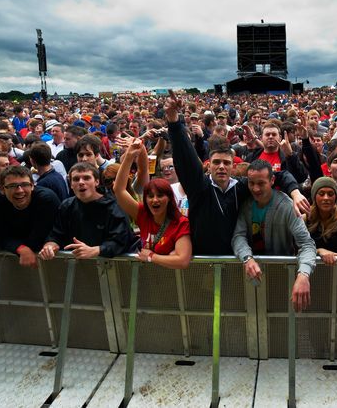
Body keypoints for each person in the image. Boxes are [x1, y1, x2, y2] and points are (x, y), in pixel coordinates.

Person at [165, 91, 308, 255]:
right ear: (209, 165)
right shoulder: (199, 186)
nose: (221, 167)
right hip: (202, 261)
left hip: (236, 260)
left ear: (233, 167)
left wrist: (295, 192)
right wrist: (174, 122)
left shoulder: (241, 186)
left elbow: (278, 175)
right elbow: (186, 158)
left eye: (226, 163)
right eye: (216, 163)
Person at [232, 160, 317, 312]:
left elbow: (306, 244)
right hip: (251, 278)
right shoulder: (246, 205)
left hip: (282, 278)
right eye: (251, 183)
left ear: (272, 181)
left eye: (261, 183)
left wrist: (304, 273)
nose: (255, 188)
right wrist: (247, 258)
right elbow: (238, 236)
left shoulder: (287, 206)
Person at [114, 139, 192, 269]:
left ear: (170, 198)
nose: (155, 200)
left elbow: (182, 261)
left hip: (176, 281)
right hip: (149, 279)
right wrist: (128, 157)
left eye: (160, 195)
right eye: (150, 196)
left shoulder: (181, 223)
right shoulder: (143, 214)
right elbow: (119, 190)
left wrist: (151, 257)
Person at [39, 162, 134, 260]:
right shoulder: (66, 206)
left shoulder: (114, 207)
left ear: (97, 182)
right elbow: (56, 234)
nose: (81, 182)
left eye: (86, 178)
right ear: (71, 184)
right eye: (76, 179)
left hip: (110, 267)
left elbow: (123, 240)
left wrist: (97, 250)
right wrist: (50, 246)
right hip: (75, 267)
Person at [0, 165, 60, 268]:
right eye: (13, 186)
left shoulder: (46, 200)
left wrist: (24, 248)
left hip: (48, 260)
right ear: (2, 188)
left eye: (25, 185)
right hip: (15, 261)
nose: (20, 190)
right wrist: (20, 248)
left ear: (32, 186)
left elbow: (43, 234)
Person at [303, 177, 337, 263]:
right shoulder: (304, 219)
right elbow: (299, 250)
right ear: (314, 197)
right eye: (321, 193)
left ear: (336, 197)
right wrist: (319, 251)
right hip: (311, 271)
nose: (326, 198)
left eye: (330, 194)